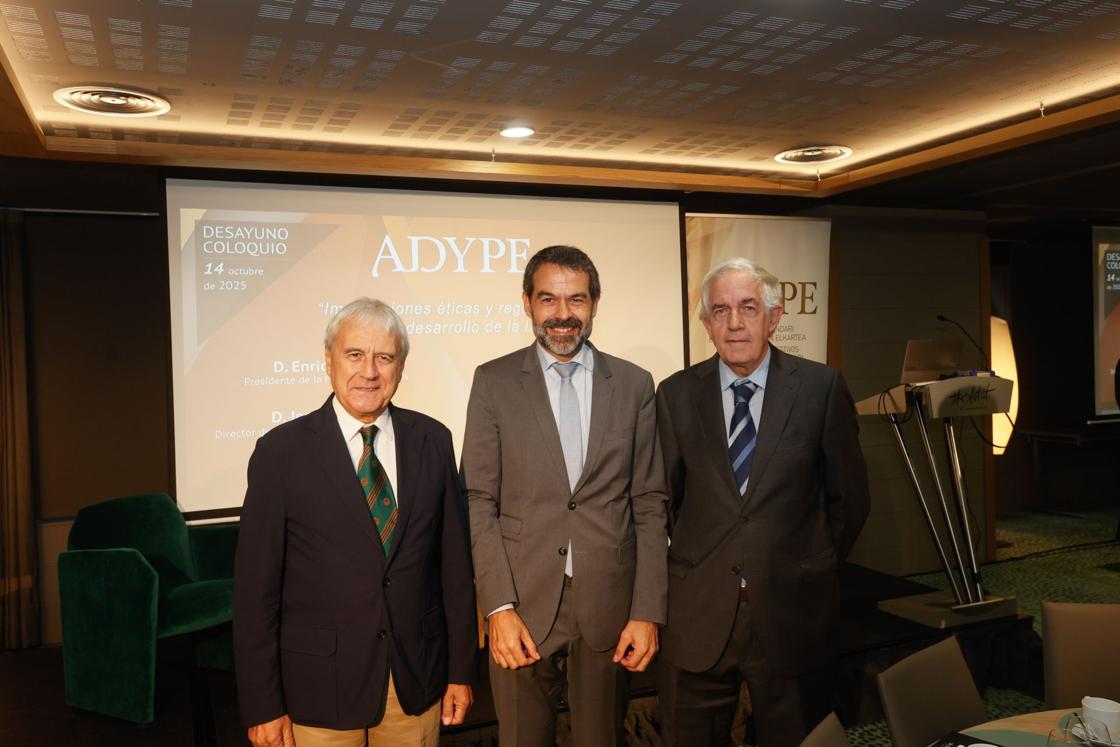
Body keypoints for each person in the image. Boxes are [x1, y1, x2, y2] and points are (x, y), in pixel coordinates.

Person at [234, 297, 477, 747]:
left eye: (384, 357)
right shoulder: (279, 454)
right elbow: (255, 594)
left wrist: (461, 671)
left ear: (401, 367)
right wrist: (263, 704)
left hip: (414, 683)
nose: (369, 371)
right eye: (354, 355)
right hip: (317, 690)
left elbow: (455, 570)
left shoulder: (434, 440)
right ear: (328, 359)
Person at [655, 258, 870, 747]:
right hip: (699, 614)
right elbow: (667, 502)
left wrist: (809, 565)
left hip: (793, 611)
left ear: (773, 318)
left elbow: (849, 500)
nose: (734, 323)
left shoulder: (820, 389)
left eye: (748, 308)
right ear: (707, 324)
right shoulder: (674, 395)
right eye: (721, 310)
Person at [462, 245, 669, 747]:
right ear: (527, 304)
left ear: (594, 303)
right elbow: (477, 499)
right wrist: (497, 608)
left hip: (610, 606)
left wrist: (647, 611)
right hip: (521, 604)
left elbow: (648, 501)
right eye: (548, 300)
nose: (562, 315)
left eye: (575, 300)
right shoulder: (493, 381)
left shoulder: (636, 385)